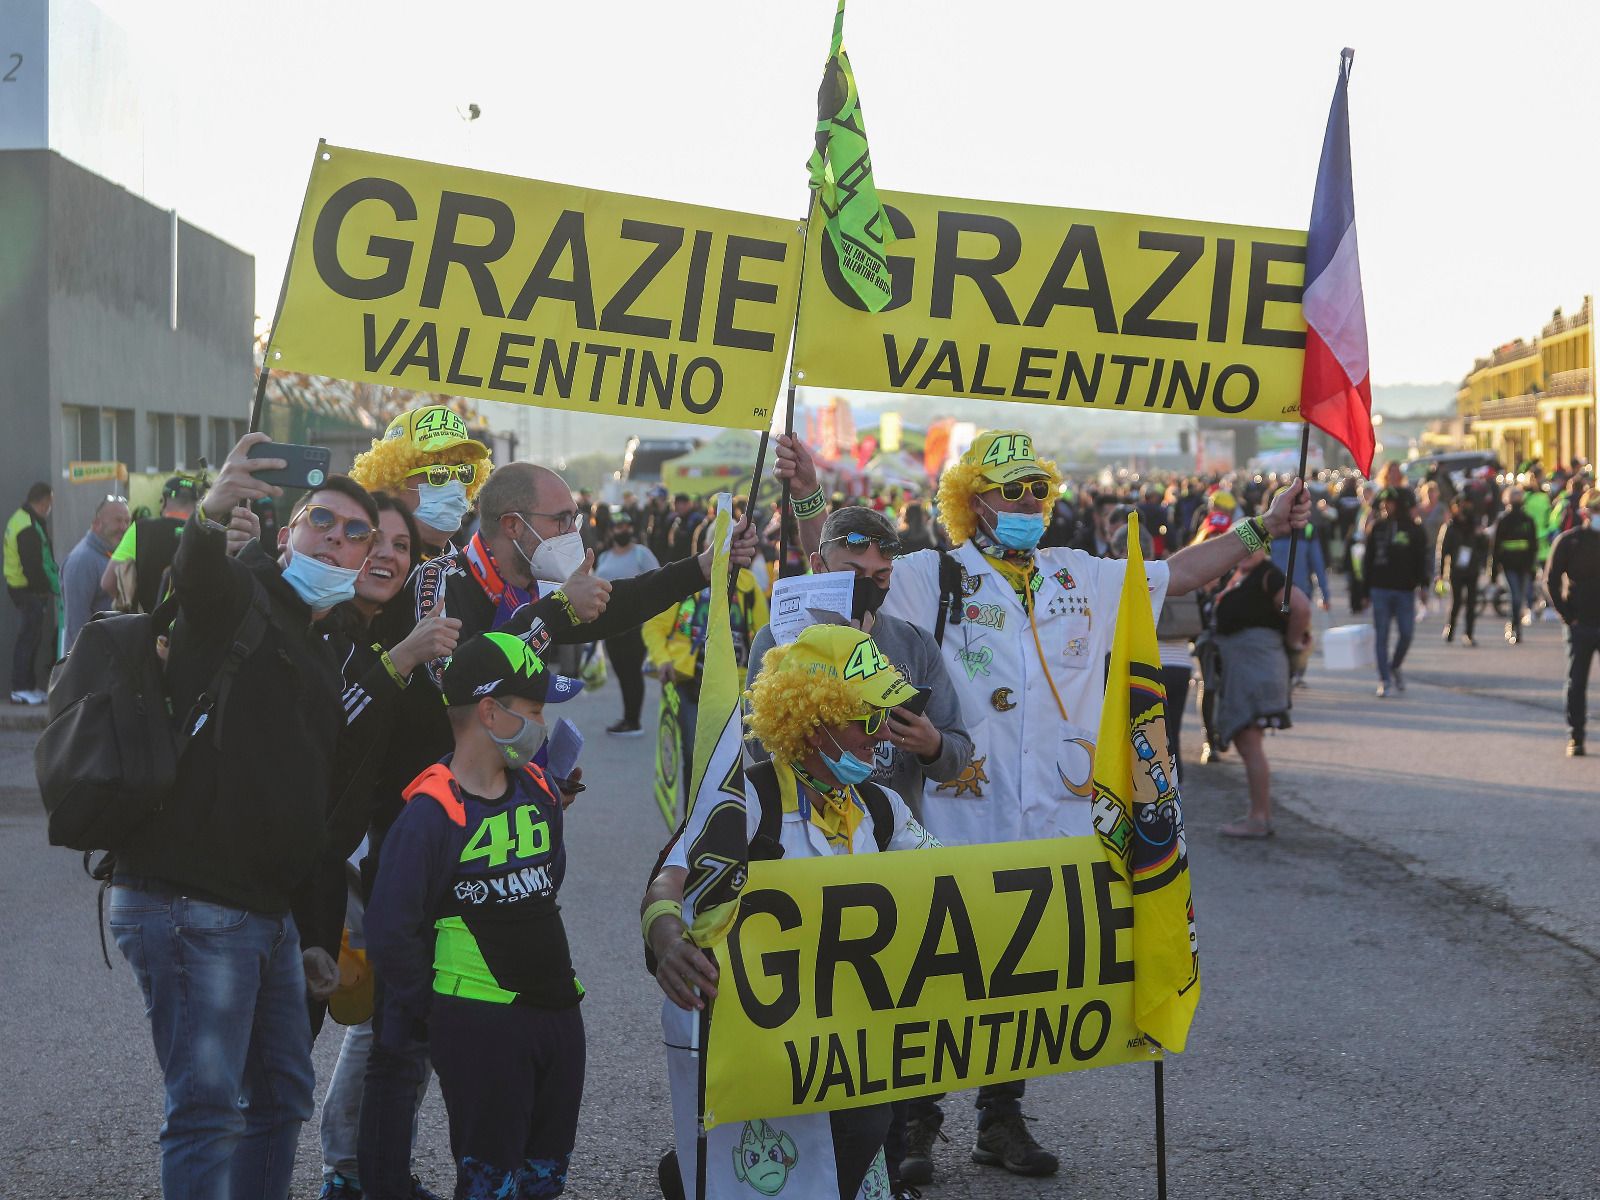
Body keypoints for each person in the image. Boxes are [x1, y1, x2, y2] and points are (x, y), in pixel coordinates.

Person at [775, 428, 1309, 1181]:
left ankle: (1001, 1116)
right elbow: (834, 572)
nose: (1029, 502)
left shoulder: (1077, 574)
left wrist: (1263, 526)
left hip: (1053, 818)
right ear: (973, 500)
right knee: (936, 973)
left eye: (1038, 490)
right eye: (1010, 490)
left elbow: (1180, 573)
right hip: (959, 816)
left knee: (1018, 977)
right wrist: (808, 494)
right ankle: (915, 1123)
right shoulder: (937, 574)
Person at [360, 461, 757, 1200]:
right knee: (400, 1037)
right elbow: (466, 675)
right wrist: (551, 616)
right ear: (515, 527)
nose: (575, 532)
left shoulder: (529, 584)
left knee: (485, 1043)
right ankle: (366, 1181)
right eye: (564, 520)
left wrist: (702, 568)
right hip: (426, 822)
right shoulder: (448, 581)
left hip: (495, 826)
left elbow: (608, 609)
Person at [108, 433, 378, 1200]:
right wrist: (209, 517)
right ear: (287, 532)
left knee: (284, 1093)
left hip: (266, 911)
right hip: (193, 902)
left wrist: (314, 933)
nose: (339, 538)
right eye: (322, 521)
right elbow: (199, 583)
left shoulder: (323, 638)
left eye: (356, 533)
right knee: (205, 1111)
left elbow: (309, 804)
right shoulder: (243, 595)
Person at [643, 625, 940, 1200]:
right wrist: (665, 939)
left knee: (863, 1132)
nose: (880, 737)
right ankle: (690, 1173)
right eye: (867, 718)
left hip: (851, 1030)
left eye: (885, 717)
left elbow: (952, 887)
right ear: (813, 719)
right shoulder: (745, 801)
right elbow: (667, 881)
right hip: (759, 1040)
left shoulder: (883, 809)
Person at [366, 632, 584, 1200]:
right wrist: (434, 1012)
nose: (542, 724)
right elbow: (392, 929)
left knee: (545, 1176)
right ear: (490, 711)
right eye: (534, 710)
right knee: (491, 1178)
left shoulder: (538, 789)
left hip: (557, 1006)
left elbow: (549, 876)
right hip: (481, 1023)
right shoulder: (429, 814)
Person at [744, 504, 972, 822]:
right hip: (804, 833)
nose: (866, 586)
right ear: (819, 567)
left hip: (893, 836)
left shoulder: (915, 643)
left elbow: (957, 755)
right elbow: (759, 748)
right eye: (853, 575)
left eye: (881, 576)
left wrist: (933, 745)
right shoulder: (779, 641)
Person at [643, 517, 769, 796]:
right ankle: (693, 822)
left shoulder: (748, 587)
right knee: (694, 754)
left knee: (729, 760)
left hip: (733, 690)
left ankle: (724, 818)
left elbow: (764, 636)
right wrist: (663, 659)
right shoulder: (689, 583)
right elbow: (655, 625)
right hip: (690, 684)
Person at [1207, 545, 1310, 837]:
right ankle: (1259, 814)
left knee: (1250, 742)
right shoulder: (1238, 574)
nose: (1247, 550)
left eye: (1254, 544)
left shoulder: (1269, 575)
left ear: (1264, 548)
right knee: (1248, 742)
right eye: (1242, 543)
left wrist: (1292, 643)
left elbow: (1300, 607)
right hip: (1245, 666)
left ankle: (1259, 818)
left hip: (1258, 666)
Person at [350, 404, 493, 557]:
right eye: (437, 473)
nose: (454, 483)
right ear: (393, 482)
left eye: (463, 472)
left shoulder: (472, 571)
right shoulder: (367, 564)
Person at [1545, 488, 1600, 756]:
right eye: (1596, 510)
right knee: (1576, 682)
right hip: (1581, 625)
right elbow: (1551, 580)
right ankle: (1575, 736)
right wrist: (1569, 616)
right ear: (1585, 512)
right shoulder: (1570, 541)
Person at [594, 511, 660, 735]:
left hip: (636, 625)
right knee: (622, 672)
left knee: (632, 672)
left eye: (627, 526)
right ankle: (627, 717)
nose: (623, 530)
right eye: (618, 527)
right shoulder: (603, 557)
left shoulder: (642, 554)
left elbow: (657, 582)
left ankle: (634, 721)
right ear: (611, 530)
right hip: (609, 625)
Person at [102, 475, 198, 614]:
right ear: (196, 504)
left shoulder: (140, 529)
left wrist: (132, 604)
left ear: (164, 501)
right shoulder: (208, 533)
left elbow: (107, 582)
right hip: (191, 628)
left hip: (146, 627)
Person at [1364, 489, 1429, 697]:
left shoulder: (1415, 530)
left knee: (1407, 633)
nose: (1385, 506)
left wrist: (1423, 586)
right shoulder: (1377, 527)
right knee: (1381, 636)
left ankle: (1395, 665)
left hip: (1405, 591)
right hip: (1380, 589)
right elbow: (1368, 560)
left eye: (1389, 502)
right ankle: (1384, 678)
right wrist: (1363, 591)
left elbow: (1422, 560)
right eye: (1383, 502)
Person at [5, 481, 58, 704]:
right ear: (45, 501)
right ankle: (20, 688)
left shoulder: (24, 518)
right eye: (50, 502)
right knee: (28, 638)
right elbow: (33, 566)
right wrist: (44, 591)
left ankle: (28, 686)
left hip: (23, 588)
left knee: (32, 638)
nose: (50, 507)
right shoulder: (27, 525)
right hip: (27, 591)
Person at [60, 495, 129, 651]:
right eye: (118, 521)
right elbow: (76, 626)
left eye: (127, 521)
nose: (124, 527)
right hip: (91, 666)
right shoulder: (82, 562)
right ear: (97, 524)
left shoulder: (113, 555)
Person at [1437, 497, 1488, 646]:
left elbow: (1484, 547)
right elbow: (1443, 551)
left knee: (1472, 603)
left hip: (1472, 569)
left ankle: (1469, 634)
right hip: (1456, 570)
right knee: (1457, 601)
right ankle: (1450, 629)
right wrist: (1439, 572)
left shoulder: (1475, 526)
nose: (1463, 509)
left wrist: (1481, 536)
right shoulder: (1450, 527)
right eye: (1459, 506)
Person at [1492, 486, 1538, 644]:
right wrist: (1493, 570)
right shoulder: (1503, 520)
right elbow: (1495, 546)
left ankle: (1515, 626)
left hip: (1524, 566)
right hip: (1508, 566)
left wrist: (1533, 567)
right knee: (1516, 596)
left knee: (1520, 597)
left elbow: (1533, 545)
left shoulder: (1528, 520)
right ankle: (1515, 628)